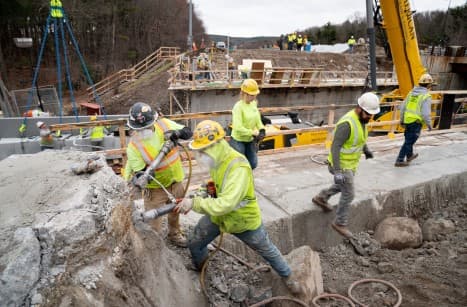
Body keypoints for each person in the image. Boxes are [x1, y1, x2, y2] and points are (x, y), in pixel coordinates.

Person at [174, 120, 303, 294]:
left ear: (218, 144)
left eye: (204, 150)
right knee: (195, 242)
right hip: (219, 218)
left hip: (243, 221)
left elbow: (227, 203)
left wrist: (195, 204)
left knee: (267, 250)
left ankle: (288, 277)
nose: (202, 155)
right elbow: (214, 184)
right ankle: (202, 269)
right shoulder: (217, 161)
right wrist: (200, 194)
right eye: (200, 151)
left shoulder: (238, 166)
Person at [123, 102, 192, 247]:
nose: (145, 130)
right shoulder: (134, 146)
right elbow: (142, 172)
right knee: (152, 223)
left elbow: (188, 132)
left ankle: (175, 234)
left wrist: (177, 133)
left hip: (176, 181)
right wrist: (144, 173)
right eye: (141, 129)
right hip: (155, 189)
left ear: (154, 121)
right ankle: (154, 247)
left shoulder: (165, 125)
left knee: (175, 212)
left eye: (147, 127)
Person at [311, 93, 380, 238]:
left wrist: (366, 150)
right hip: (340, 165)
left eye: (372, 114)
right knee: (349, 193)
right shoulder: (347, 124)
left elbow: (359, 138)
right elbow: (335, 148)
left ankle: (322, 197)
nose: (370, 117)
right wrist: (337, 171)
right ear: (359, 108)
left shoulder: (361, 121)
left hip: (349, 164)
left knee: (341, 184)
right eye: (368, 114)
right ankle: (339, 222)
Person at [395, 73, 434, 167]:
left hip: (408, 121)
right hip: (416, 123)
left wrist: (402, 120)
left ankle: (409, 155)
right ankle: (399, 160)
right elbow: (425, 114)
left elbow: (403, 107)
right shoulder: (426, 96)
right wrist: (429, 124)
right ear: (429, 85)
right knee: (409, 141)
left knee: (409, 139)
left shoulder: (411, 93)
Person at [229, 79, 265, 170]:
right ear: (245, 94)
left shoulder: (253, 104)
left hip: (249, 139)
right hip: (238, 139)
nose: (254, 97)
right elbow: (238, 127)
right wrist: (252, 133)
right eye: (252, 95)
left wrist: (261, 129)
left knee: (253, 164)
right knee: (240, 164)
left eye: (255, 95)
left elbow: (257, 118)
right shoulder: (238, 107)